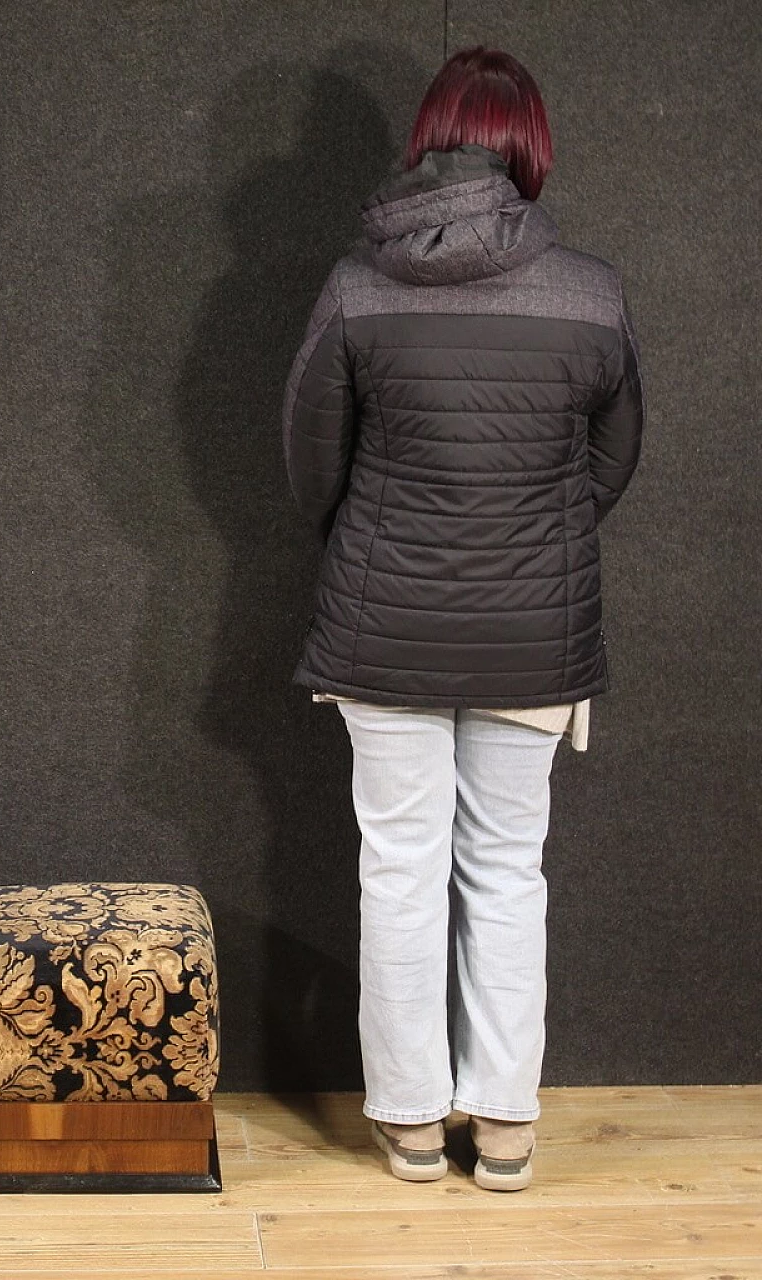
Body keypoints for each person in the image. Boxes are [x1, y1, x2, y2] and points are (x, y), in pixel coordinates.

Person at [282, 46, 644, 1191]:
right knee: (505, 868)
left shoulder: (354, 285)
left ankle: (403, 1123)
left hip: (382, 622)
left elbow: (309, 463)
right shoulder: (588, 292)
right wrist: (528, 531)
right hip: (534, 631)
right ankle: (502, 1124)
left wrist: (386, 545)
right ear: (527, 144)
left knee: (396, 866)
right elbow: (612, 460)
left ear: (428, 142)